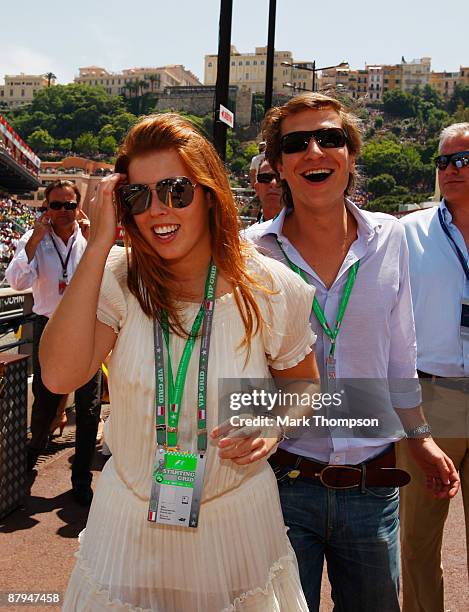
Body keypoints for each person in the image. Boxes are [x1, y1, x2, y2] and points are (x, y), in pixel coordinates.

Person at [40, 113, 320, 611]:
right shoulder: (117, 279)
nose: (157, 210)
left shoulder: (274, 287)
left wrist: (275, 427)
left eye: (175, 190)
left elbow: (304, 387)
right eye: (138, 196)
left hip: (236, 526)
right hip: (128, 522)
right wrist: (101, 240)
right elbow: (60, 375)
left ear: (210, 193)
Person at [244, 92, 459, 612]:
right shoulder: (250, 251)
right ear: (278, 165)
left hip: (372, 482)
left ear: (350, 155)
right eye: (296, 144)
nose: (315, 151)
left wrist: (422, 439)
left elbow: (400, 355)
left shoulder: (391, 238)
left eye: (330, 138)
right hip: (281, 480)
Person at [398, 123, 469, 612]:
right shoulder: (408, 232)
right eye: (443, 162)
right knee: (418, 542)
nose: (451, 170)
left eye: (462, 160)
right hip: (434, 396)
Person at [5, 180, 101, 507]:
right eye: (55, 205)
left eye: (69, 205)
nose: (62, 212)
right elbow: (17, 281)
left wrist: (92, 240)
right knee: (44, 404)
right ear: (46, 208)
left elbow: (108, 280)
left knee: (89, 409)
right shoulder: (33, 240)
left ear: (78, 208)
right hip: (48, 326)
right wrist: (34, 238)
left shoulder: (89, 240)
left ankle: (81, 479)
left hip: (87, 327)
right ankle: (29, 460)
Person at [253, 158, 283, 223]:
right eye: (265, 178)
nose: (273, 183)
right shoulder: (247, 233)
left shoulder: (308, 232)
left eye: (280, 177)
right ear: (257, 188)